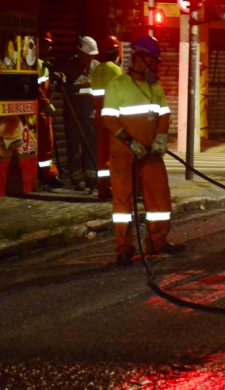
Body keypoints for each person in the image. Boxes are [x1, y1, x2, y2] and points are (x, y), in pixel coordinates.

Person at [101, 35, 183, 266]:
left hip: (150, 153)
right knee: (123, 202)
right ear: (139, 58)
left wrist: (160, 138)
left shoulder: (154, 86)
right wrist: (129, 142)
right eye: (153, 60)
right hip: (123, 154)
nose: (156, 65)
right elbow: (109, 119)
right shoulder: (118, 85)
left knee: (159, 198)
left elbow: (164, 114)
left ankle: (158, 241)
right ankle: (124, 249)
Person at [62, 36, 99, 193]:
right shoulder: (69, 68)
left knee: (92, 148)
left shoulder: (97, 67)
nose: (90, 59)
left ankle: (92, 179)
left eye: (92, 56)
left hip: (91, 113)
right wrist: (79, 85)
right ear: (80, 53)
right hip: (74, 115)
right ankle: (78, 180)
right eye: (87, 55)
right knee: (75, 149)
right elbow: (63, 88)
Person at [90, 36, 124, 200]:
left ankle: (103, 189)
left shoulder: (96, 71)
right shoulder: (116, 70)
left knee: (102, 156)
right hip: (113, 118)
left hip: (99, 116)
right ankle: (113, 188)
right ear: (117, 51)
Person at [36, 32, 64, 189]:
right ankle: (48, 175)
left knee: (47, 144)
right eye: (48, 44)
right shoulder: (38, 64)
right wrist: (46, 103)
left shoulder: (42, 64)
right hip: (41, 111)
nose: (50, 47)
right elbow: (37, 88)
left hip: (44, 110)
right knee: (46, 144)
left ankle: (47, 173)